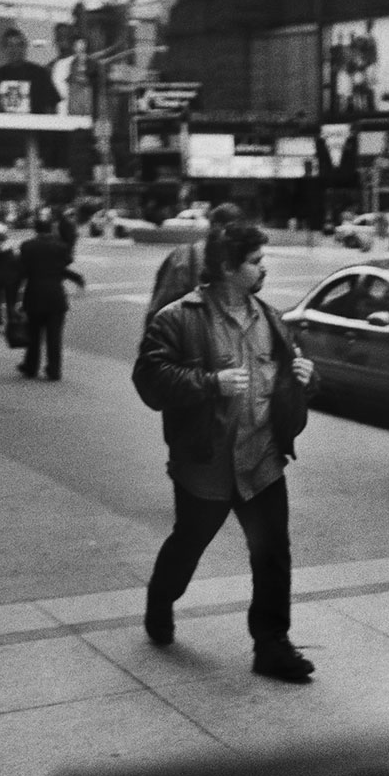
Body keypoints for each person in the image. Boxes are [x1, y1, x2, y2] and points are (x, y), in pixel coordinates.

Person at [133, 222, 319, 682]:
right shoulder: (179, 318)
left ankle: (272, 644)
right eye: (255, 262)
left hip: (262, 461)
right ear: (227, 267)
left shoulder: (270, 318)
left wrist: (306, 378)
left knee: (272, 554)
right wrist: (209, 382)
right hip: (206, 465)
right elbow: (149, 380)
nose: (263, 268)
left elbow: (288, 382)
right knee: (188, 544)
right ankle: (161, 600)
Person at [144, 203, 244, 329]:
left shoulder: (240, 260)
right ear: (217, 226)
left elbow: (161, 303)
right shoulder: (188, 255)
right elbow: (164, 302)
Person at [16, 215, 85, 380]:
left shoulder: (27, 246)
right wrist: (77, 278)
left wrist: (16, 296)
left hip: (34, 294)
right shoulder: (60, 247)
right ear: (51, 229)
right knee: (54, 336)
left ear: (35, 229)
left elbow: (22, 271)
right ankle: (54, 370)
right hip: (55, 295)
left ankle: (31, 366)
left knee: (34, 333)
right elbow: (63, 266)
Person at [0, 26, 60, 115]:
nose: (15, 49)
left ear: (24, 47)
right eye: (10, 45)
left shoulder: (39, 73)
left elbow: (51, 105)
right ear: (4, 48)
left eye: (19, 45)